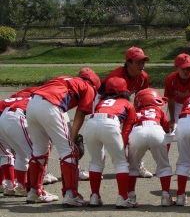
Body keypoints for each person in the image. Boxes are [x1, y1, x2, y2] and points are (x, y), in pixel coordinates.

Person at [26, 68, 100, 206]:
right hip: (50, 105)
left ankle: (33, 192)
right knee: (69, 151)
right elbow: (80, 116)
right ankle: (71, 195)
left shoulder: (63, 78)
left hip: (31, 104)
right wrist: (72, 139)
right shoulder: (89, 87)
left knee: (39, 150)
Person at [98, 46, 153, 179]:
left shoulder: (143, 77)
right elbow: (102, 96)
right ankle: (98, 167)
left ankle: (136, 164)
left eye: (143, 61)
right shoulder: (115, 76)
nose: (142, 65)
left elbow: (142, 97)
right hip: (104, 102)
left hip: (123, 104)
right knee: (106, 134)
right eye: (138, 62)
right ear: (128, 63)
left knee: (134, 133)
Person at [83, 77, 138, 208]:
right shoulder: (127, 104)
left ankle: (94, 196)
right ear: (125, 91)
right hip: (110, 123)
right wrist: (122, 147)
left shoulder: (101, 101)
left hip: (91, 123)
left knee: (96, 162)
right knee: (121, 163)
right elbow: (126, 129)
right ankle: (123, 198)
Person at [128, 88, 174, 206]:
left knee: (132, 167)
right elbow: (166, 129)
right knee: (163, 166)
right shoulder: (158, 110)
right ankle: (165, 196)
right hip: (156, 129)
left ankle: (131, 196)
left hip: (138, 131)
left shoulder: (135, 112)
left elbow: (128, 128)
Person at [0, 87, 36, 197]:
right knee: (24, 153)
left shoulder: (16, 99)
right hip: (8, 119)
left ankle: (7, 185)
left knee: (4, 154)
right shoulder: (32, 100)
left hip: (3, 117)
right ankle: (19, 187)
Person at [163, 53, 190, 131]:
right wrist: (172, 119)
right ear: (176, 68)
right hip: (176, 104)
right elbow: (170, 100)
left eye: (189, 68)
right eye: (183, 68)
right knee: (167, 128)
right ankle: (166, 143)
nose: (186, 71)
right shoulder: (171, 79)